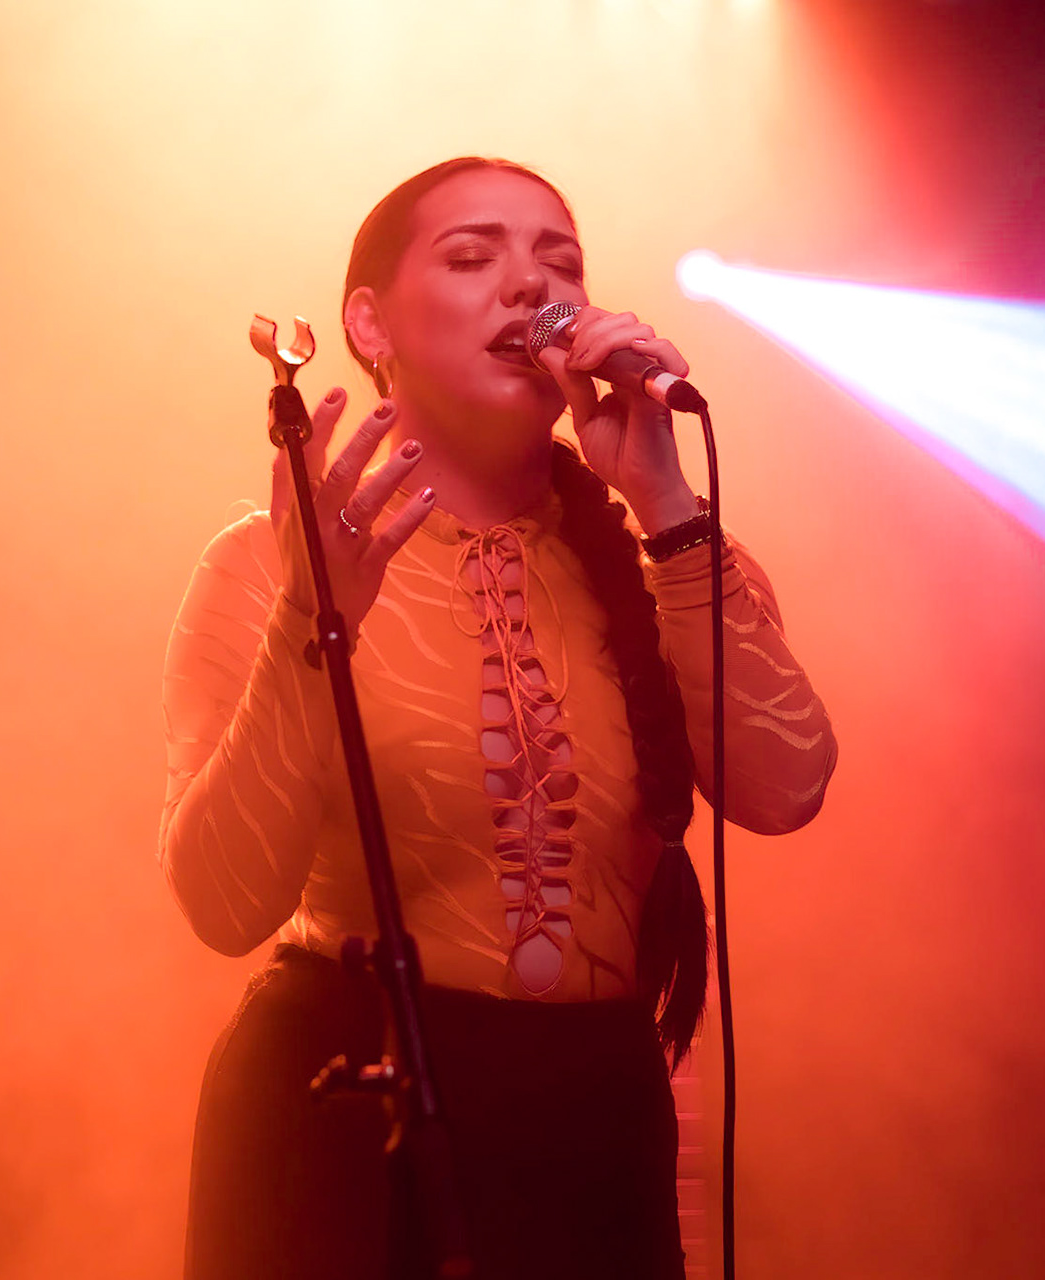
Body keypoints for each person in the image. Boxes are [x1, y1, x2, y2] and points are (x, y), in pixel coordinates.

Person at [158, 157, 837, 1280]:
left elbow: (786, 786)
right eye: (473, 257)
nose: (529, 286)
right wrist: (303, 623)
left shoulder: (659, 552)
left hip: (591, 1122)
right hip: (338, 1115)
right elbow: (224, 901)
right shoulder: (260, 566)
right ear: (368, 323)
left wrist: (666, 502)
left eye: (558, 261)